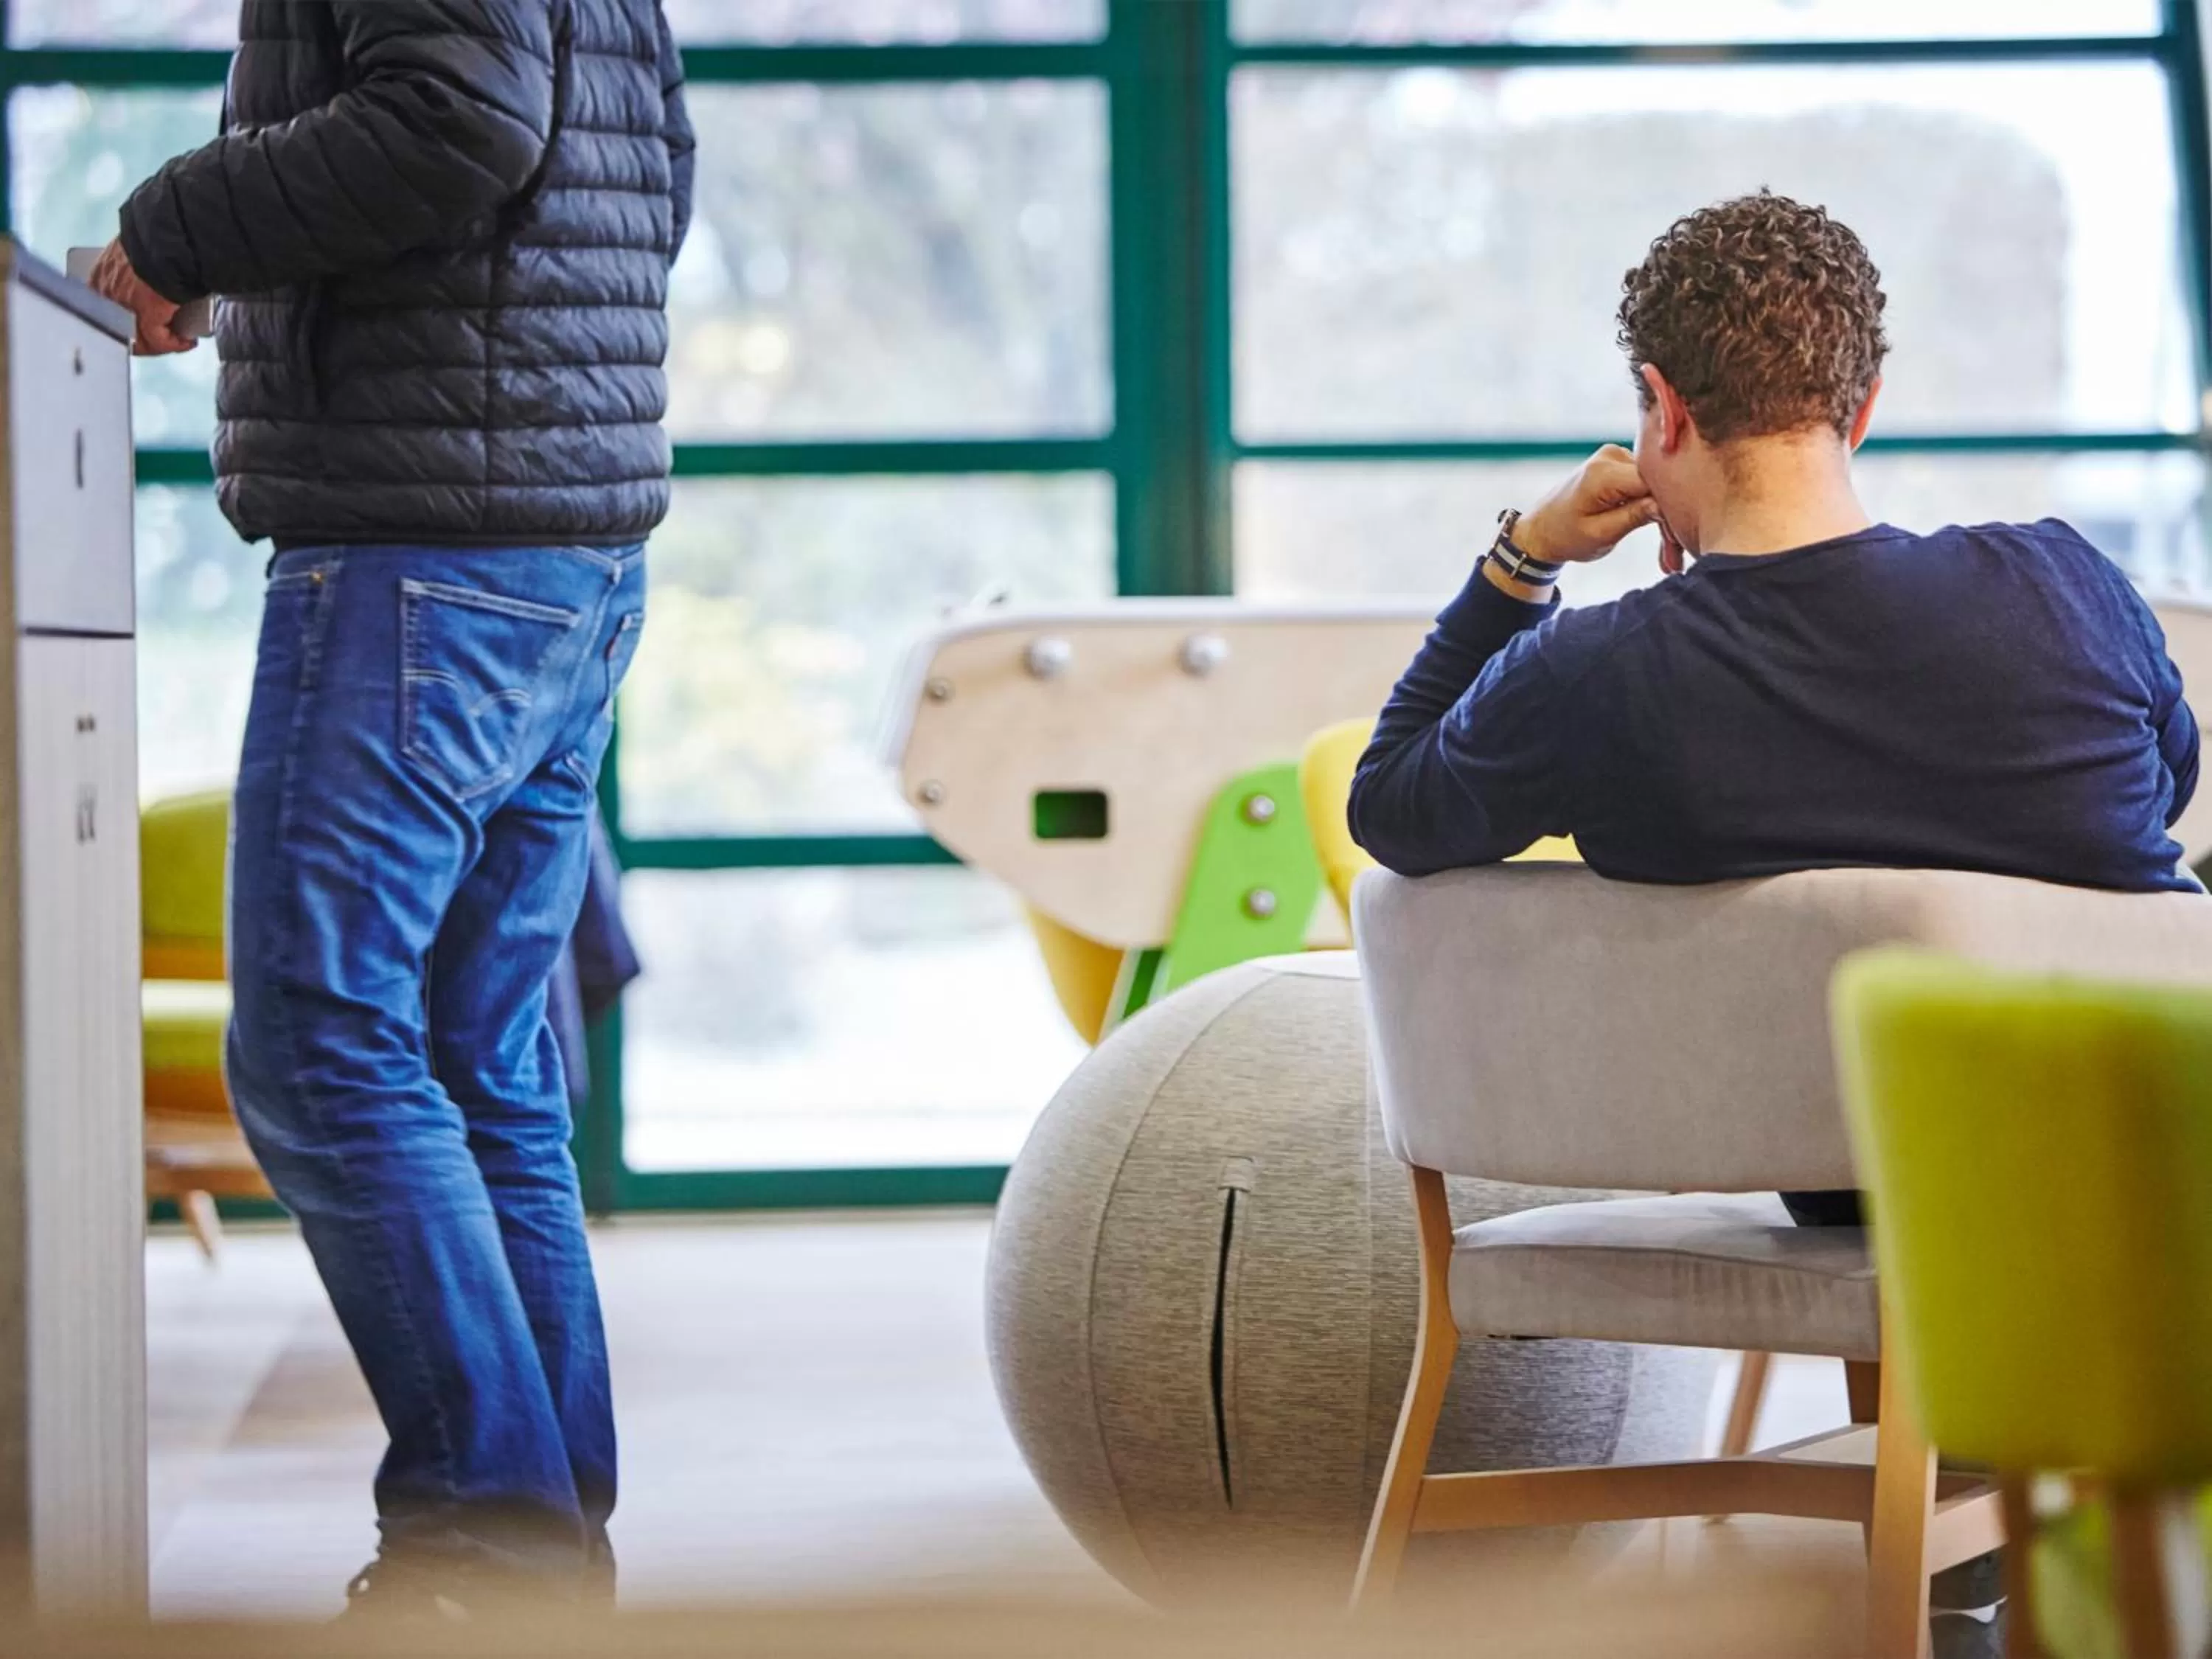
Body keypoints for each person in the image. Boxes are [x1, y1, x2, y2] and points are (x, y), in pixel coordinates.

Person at [1349, 188, 2192, 1659]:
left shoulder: (1601, 683)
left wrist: (1523, 560)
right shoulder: (2061, 588)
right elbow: (2169, 784)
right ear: (1863, 405)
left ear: (1661, 409)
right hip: (2154, 1183)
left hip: (1858, 1197)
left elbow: (1391, 805)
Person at [88, 0, 694, 1618]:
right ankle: (543, 1565)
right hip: (560, 540)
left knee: (317, 1041)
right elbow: (647, 167)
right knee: (474, 1059)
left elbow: (457, 123)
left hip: (428, 543)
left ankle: (485, 1559)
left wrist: (170, 229)